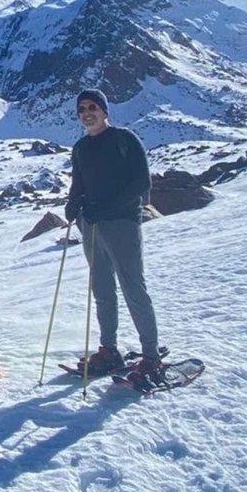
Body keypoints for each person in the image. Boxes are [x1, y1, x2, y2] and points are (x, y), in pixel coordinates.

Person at [64, 89, 164, 382]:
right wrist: (73, 204)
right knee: (102, 289)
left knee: (133, 286)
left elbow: (141, 183)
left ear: (105, 111)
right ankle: (108, 349)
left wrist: (106, 207)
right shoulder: (81, 148)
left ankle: (151, 355)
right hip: (91, 224)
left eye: (92, 107)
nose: (87, 112)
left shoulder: (124, 140)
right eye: (81, 108)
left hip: (122, 222)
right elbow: (78, 183)